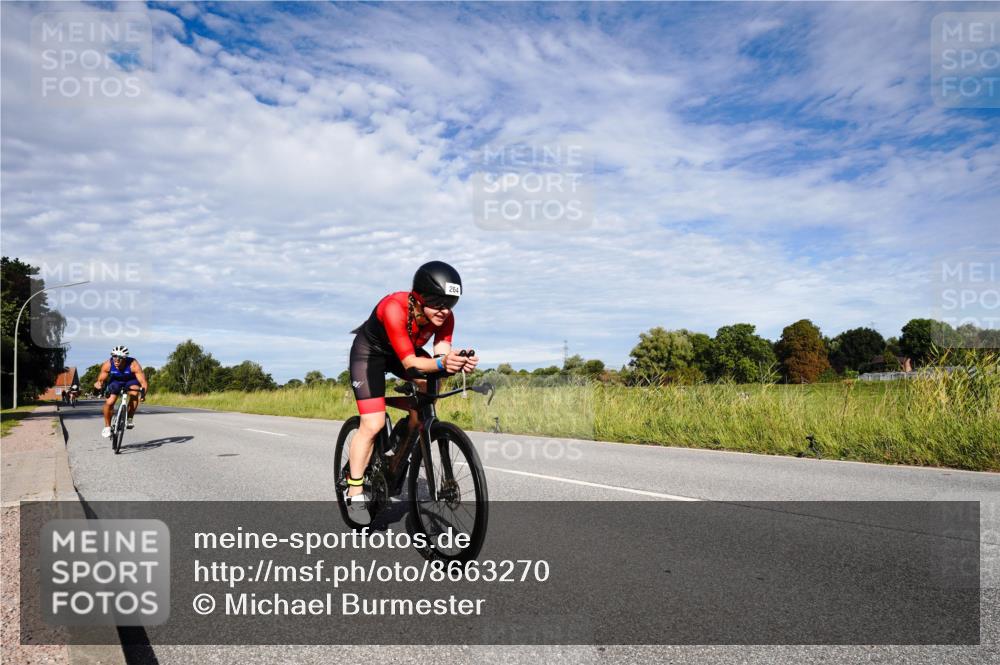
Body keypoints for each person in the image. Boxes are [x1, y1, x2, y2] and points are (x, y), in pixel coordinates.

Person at [345, 261, 478, 512]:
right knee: (372, 424)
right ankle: (354, 490)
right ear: (419, 297)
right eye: (438, 303)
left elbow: (440, 355)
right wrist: (442, 362)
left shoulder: (445, 318)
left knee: (431, 390)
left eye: (450, 304)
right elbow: (410, 362)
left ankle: (401, 440)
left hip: (403, 352)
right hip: (370, 355)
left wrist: (456, 360)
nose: (444, 311)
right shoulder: (394, 307)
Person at [93, 345, 148, 438]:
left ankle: (129, 418)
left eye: (120, 358)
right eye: (114, 357)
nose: (116, 360)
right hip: (116, 381)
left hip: (131, 381)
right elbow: (101, 379)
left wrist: (143, 395)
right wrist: (99, 383)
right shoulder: (108, 364)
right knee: (110, 402)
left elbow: (143, 382)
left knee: (134, 393)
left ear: (125, 358)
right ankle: (107, 426)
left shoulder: (133, 364)